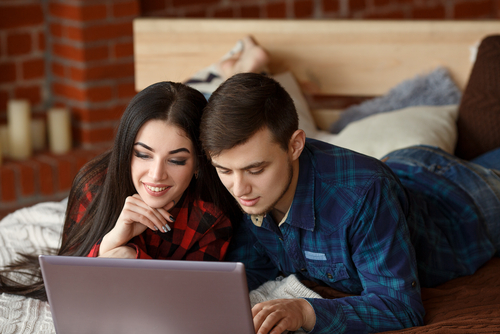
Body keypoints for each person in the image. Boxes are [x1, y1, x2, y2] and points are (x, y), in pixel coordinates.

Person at [199, 72, 500, 334]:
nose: (239, 188)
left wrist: (305, 312)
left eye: (256, 169)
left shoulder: (363, 196)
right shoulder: (239, 184)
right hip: (401, 166)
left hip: (463, 197)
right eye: (225, 170)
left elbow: (400, 306)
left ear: (295, 145)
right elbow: (249, 270)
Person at [0, 81, 240, 301]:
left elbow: (193, 300)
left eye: (176, 160)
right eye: (143, 154)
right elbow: (66, 286)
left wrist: (132, 260)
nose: (156, 175)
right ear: (127, 151)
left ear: (198, 163)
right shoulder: (93, 185)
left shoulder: (212, 217)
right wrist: (112, 242)